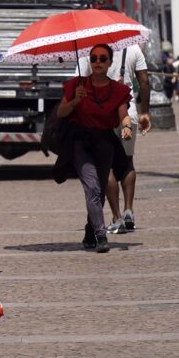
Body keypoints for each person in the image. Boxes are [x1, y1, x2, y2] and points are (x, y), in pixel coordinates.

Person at [54, 43, 132, 253]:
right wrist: (75, 102)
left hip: (104, 142)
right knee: (93, 187)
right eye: (94, 58)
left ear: (110, 62)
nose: (97, 62)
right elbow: (61, 113)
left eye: (102, 59)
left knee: (99, 189)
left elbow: (122, 114)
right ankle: (101, 235)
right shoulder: (75, 86)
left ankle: (90, 231)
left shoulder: (118, 90)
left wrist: (126, 127)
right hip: (80, 141)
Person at [102, 44, 151, 234]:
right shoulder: (133, 49)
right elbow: (144, 82)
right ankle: (129, 210)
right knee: (128, 161)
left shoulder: (92, 50)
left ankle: (116, 217)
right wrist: (145, 112)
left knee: (108, 165)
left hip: (103, 116)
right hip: (129, 115)